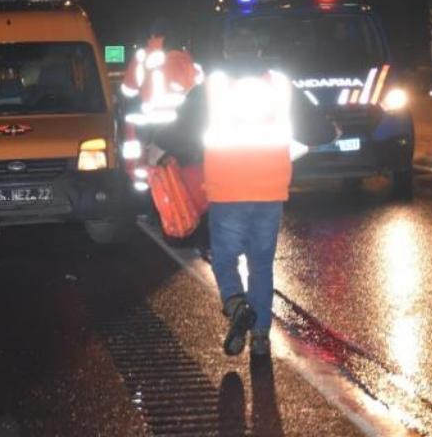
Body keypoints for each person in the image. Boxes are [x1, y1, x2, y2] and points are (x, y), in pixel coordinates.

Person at [155, 28, 337, 358]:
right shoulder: (280, 87)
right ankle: (261, 338)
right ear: (258, 52)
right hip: (270, 190)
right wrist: (332, 130)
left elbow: (180, 131)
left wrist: (156, 143)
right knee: (261, 265)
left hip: (227, 190)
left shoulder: (212, 89)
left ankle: (237, 305)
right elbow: (314, 127)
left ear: (226, 52)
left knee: (224, 258)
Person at [121, 18, 204, 191]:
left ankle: (148, 188)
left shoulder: (142, 56)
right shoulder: (184, 57)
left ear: (152, 35)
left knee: (150, 162)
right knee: (179, 166)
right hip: (177, 123)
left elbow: (128, 89)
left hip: (150, 122)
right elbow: (197, 86)